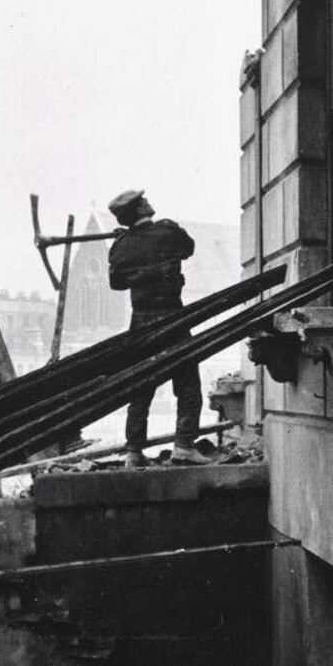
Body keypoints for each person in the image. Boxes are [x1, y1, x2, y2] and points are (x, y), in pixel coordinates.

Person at [107, 189, 207, 468]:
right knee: (186, 382)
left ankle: (133, 452)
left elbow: (116, 283)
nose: (149, 202)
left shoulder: (120, 246)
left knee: (140, 385)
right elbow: (189, 248)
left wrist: (126, 243)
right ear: (139, 210)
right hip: (171, 315)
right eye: (144, 201)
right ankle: (184, 446)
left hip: (140, 321)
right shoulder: (168, 232)